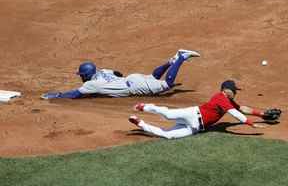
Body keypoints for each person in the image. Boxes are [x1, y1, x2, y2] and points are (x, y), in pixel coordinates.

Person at [128, 80, 280, 139]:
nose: (236, 92)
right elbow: (235, 114)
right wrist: (251, 124)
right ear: (227, 90)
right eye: (235, 90)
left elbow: (242, 109)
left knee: (168, 136)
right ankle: (145, 106)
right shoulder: (221, 97)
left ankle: (140, 124)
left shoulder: (229, 100)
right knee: (168, 114)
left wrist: (262, 113)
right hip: (193, 114)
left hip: (196, 127)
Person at [41, 49, 201, 99]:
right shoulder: (102, 71)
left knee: (166, 85)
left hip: (134, 85)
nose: (81, 76)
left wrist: (58, 95)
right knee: (153, 77)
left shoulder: (91, 84)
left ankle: (181, 58)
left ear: (86, 75)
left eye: (81, 74)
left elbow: (75, 94)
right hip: (131, 78)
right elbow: (118, 72)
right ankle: (170, 62)